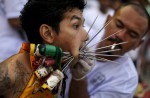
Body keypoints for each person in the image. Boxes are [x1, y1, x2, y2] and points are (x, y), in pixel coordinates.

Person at [0, 0, 93, 97]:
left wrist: (78, 78)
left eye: (83, 26)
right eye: (76, 26)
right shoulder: (11, 73)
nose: (86, 36)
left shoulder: (59, 67)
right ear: (47, 34)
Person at [59, 3, 150, 98]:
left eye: (132, 34)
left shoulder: (126, 81)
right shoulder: (81, 36)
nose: (120, 35)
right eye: (119, 25)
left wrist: (79, 78)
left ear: (138, 44)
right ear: (107, 20)